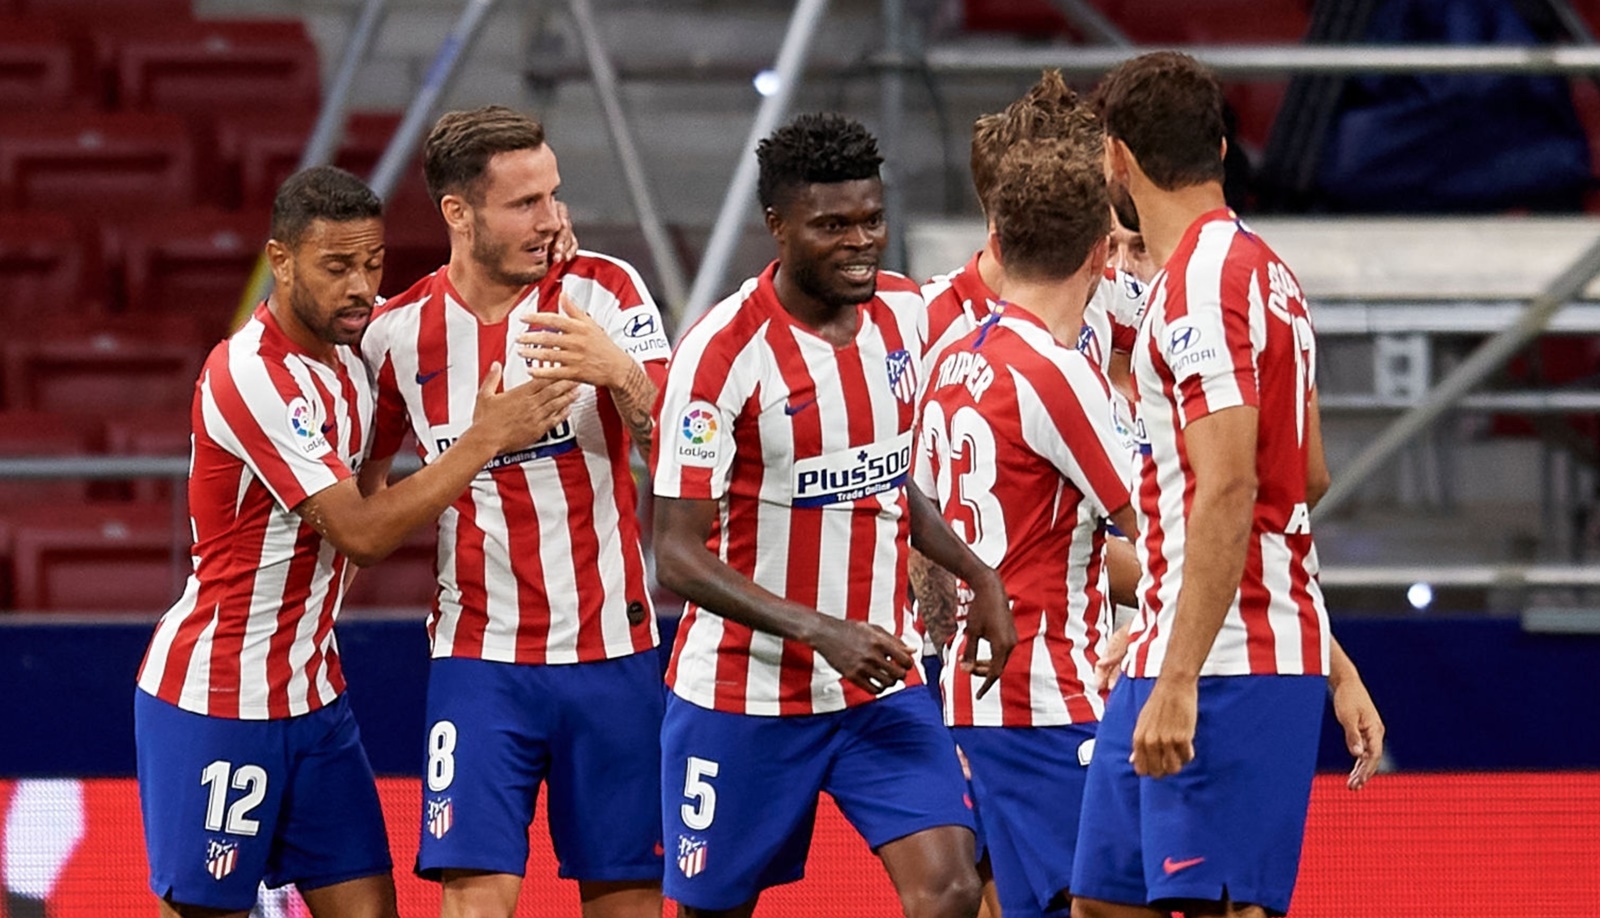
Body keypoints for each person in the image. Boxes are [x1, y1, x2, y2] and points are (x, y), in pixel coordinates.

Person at [134, 165, 575, 918]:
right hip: (219, 698)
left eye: (372, 264)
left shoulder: (353, 359)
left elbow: (448, 303)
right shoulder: (250, 375)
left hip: (315, 698)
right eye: (336, 267)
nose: (361, 288)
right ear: (280, 261)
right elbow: (364, 534)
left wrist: (541, 250)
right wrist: (485, 440)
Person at [651, 112, 1016, 918]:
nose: (861, 243)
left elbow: (884, 480)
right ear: (777, 224)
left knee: (953, 889)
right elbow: (674, 555)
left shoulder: (905, 315)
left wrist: (977, 573)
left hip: (877, 686)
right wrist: (821, 631)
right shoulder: (720, 355)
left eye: (872, 220)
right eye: (832, 226)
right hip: (743, 695)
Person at [1070, 52, 1384, 918]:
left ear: (1118, 160)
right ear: (1217, 148)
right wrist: (1330, 659)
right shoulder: (1265, 272)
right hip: (1176, 644)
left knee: (1217, 909)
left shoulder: (1200, 291)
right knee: (1101, 902)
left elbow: (1233, 486)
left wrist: (1181, 677)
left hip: (1220, 665)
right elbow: (1306, 476)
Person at [357, 106, 671, 918]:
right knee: (471, 898)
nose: (552, 219)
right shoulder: (396, 335)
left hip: (613, 652)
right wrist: (477, 445)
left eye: (554, 195)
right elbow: (364, 509)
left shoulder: (605, 291)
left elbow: (682, 455)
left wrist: (619, 373)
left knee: (628, 899)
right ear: (458, 213)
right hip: (480, 660)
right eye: (525, 203)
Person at [918, 137, 1137, 918]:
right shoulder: (1058, 373)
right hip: (1049, 696)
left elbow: (921, 525)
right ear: (1102, 253)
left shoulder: (950, 359)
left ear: (999, 243)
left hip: (971, 694)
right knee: (1118, 903)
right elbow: (1156, 525)